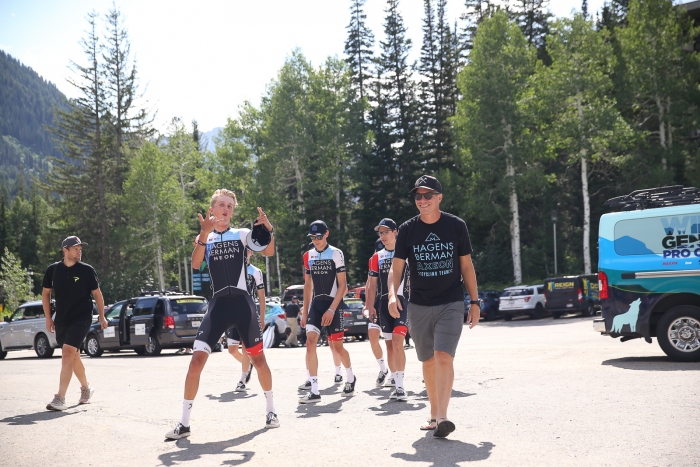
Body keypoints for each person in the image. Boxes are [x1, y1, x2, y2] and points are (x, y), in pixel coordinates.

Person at [165, 189, 279, 440]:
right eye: (221, 205)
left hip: (242, 304)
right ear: (212, 209)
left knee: (258, 360)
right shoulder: (203, 237)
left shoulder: (242, 235)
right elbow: (196, 264)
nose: (226, 209)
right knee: (195, 361)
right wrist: (204, 234)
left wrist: (269, 230)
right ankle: (184, 423)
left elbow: (268, 252)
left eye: (230, 205)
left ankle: (271, 410)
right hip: (217, 306)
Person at [388, 175, 480, 438]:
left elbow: (466, 266)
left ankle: (443, 417)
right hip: (418, 304)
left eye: (428, 195)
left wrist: (474, 301)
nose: (423, 200)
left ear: (440, 197)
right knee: (427, 360)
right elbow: (397, 268)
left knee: (443, 356)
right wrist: (392, 295)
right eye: (418, 196)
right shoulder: (407, 229)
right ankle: (433, 412)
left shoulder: (456, 226)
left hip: (450, 301)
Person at [42, 236, 108, 411]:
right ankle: (86, 389)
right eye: (75, 249)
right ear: (65, 250)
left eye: (80, 249)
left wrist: (102, 316)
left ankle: (60, 398)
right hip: (62, 319)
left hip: (82, 317)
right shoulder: (53, 270)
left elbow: (97, 294)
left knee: (67, 353)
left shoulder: (87, 270)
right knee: (73, 356)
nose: (79, 252)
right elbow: (46, 294)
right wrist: (49, 317)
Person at [299, 220, 356, 403]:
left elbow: (343, 286)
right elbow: (308, 286)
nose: (316, 240)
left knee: (337, 347)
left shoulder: (336, 253)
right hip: (316, 303)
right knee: (310, 343)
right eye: (313, 237)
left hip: (334, 303)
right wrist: (305, 311)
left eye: (319, 237)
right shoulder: (309, 255)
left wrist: (332, 310)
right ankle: (314, 390)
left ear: (327, 234)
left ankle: (350, 376)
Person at [368, 218, 410, 401]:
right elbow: (371, 284)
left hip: (404, 302)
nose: (383, 236)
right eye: (381, 233)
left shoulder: (407, 253)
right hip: (383, 303)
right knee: (390, 345)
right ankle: (395, 379)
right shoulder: (376, 257)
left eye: (386, 232)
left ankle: (400, 386)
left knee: (399, 342)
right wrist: (369, 305)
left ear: (395, 232)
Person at [228, 249, 266, 392]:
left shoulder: (256, 272)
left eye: (248, 251)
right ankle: (249, 365)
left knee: (245, 348)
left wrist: (262, 318)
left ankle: (242, 380)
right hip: (232, 312)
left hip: (248, 312)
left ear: (251, 253)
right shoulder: (231, 269)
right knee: (232, 349)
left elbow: (261, 296)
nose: (245, 254)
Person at [364, 239, 394, 389]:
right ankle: (383, 368)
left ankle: (395, 375)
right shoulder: (375, 260)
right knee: (373, 337)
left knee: (394, 342)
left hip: (393, 300)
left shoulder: (397, 257)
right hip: (376, 303)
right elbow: (369, 283)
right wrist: (368, 305)